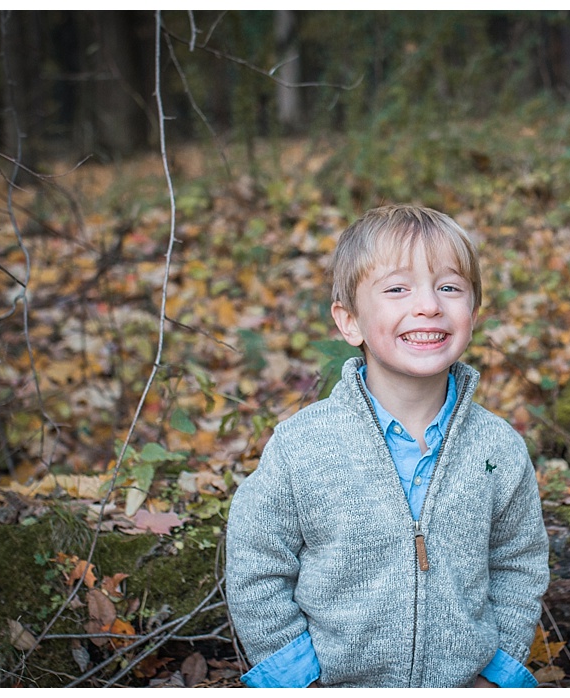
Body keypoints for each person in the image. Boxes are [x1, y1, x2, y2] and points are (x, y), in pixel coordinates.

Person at [225, 204, 549, 688]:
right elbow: (257, 563)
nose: (428, 306)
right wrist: (298, 679)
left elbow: (518, 563)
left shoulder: (497, 448)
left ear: (473, 314)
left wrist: (497, 674)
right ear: (349, 321)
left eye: (449, 287)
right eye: (398, 289)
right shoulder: (304, 445)